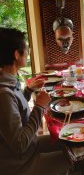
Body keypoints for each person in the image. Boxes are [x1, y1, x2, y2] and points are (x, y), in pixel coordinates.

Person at [0, 27, 69, 175]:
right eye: (26, 48)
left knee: (67, 140)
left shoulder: (7, 80)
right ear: (17, 54)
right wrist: (39, 107)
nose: (28, 52)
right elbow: (19, 144)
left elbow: (15, 110)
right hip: (20, 164)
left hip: (29, 148)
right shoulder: (3, 93)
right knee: (76, 160)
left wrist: (28, 91)